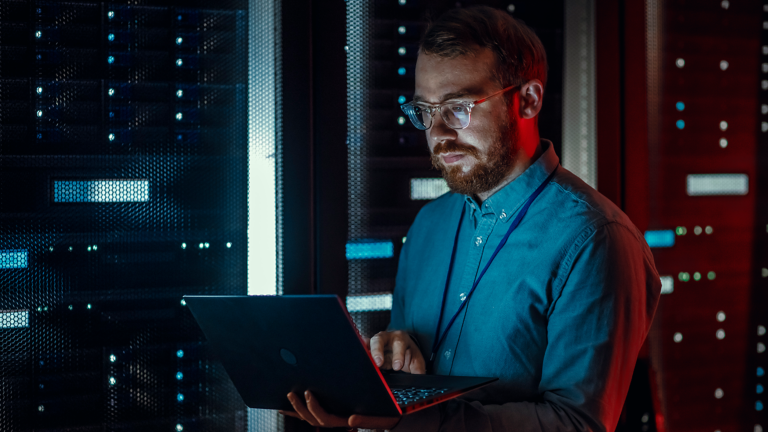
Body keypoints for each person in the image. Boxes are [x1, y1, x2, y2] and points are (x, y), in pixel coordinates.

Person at [282, 6, 661, 431]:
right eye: (425, 111)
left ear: (529, 100)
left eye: (459, 107)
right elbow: (407, 370)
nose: (439, 133)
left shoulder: (597, 240)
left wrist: (416, 423)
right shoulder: (428, 226)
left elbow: (576, 423)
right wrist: (392, 359)